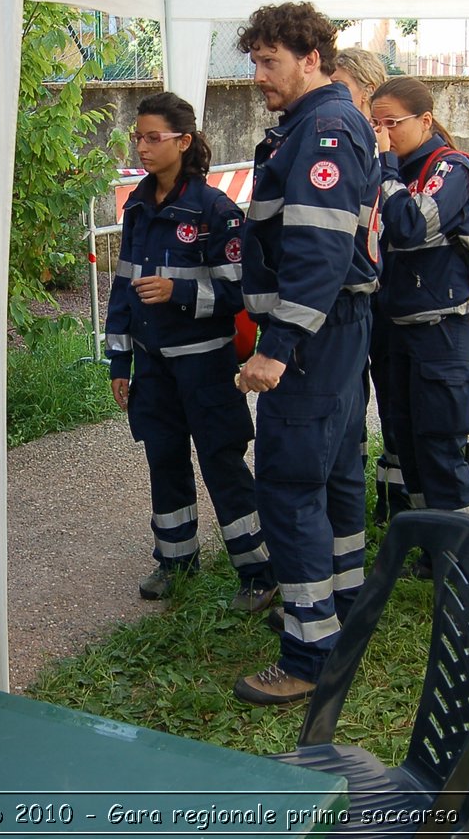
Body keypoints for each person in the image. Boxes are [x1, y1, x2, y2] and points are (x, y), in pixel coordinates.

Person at [232, 3, 379, 705]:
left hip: (312, 338)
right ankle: (343, 616)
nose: (259, 75)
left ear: (313, 58)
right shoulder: (317, 124)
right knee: (338, 476)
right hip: (337, 330)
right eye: (254, 61)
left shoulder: (322, 126)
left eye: (270, 61)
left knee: (290, 487)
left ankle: (309, 653)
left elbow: (319, 251)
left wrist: (277, 348)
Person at [104, 92, 276, 613]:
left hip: (205, 365)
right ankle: (176, 561)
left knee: (223, 463)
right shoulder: (136, 206)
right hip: (154, 366)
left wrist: (178, 293)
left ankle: (257, 571)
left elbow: (238, 294)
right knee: (164, 458)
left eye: (153, 138)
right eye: (137, 137)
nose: (141, 147)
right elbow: (121, 289)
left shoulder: (215, 211)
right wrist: (120, 361)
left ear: (183, 141)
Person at [370, 77, 469, 520]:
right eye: (375, 124)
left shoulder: (450, 170)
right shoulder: (394, 171)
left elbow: (411, 226)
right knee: (411, 446)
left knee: (440, 448)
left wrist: (386, 169)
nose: (383, 133)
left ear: (425, 120)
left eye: (392, 123)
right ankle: (431, 550)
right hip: (398, 327)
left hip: (444, 329)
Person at [331, 48, 406, 526]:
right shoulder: (334, 139)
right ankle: (351, 503)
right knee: (349, 407)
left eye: (341, 89)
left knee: (397, 409)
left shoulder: (392, 146)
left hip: (398, 305)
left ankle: (396, 509)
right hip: (357, 303)